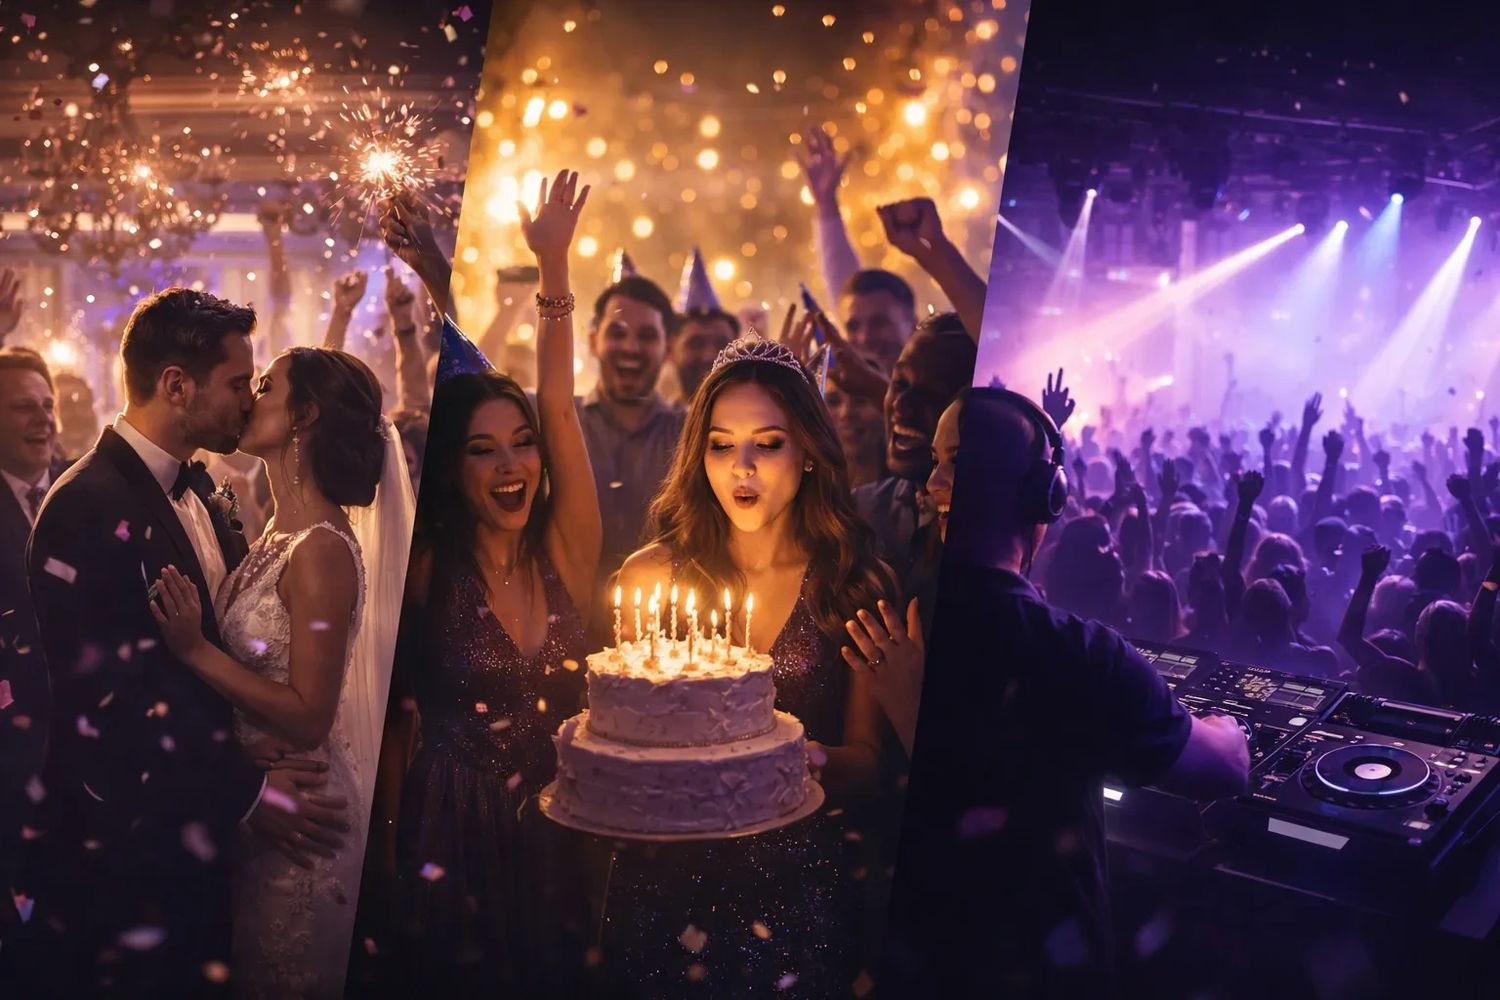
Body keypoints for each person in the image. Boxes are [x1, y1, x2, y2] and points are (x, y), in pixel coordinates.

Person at [20, 289, 348, 994]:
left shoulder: (206, 491)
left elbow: (224, 655)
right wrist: (253, 790)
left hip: (205, 854)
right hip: (129, 865)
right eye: (236, 384)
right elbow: (111, 708)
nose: (246, 400)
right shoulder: (86, 504)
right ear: (176, 385)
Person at [880, 387, 1249, 998]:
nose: (933, 480)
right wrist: (1230, 725)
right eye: (935, 459)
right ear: (1044, 497)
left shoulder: (897, 621)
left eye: (951, 460)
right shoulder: (1078, 656)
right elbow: (1223, 771)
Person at [604, 329, 898, 994]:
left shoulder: (854, 585)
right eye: (721, 445)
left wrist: (790, 760)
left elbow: (873, 764)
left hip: (795, 886)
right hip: (667, 878)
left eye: (767, 444)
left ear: (810, 454)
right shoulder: (651, 577)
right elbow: (617, 743)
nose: (742, 468)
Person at [373, 171, 600, 993]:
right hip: (451, 831)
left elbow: (560, 407)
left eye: (521, 444)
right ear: (454, 470)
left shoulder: (569, 551)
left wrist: (553, 268)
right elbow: (395, 722)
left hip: (565, 828)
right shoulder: (429, 568)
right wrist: (389, 853)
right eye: (482, 449)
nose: (512, 465)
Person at [148, 345, 410, 999]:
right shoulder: (270, 533)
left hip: (305, 822)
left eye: (266, 385)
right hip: (266, 801)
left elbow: (311, 710)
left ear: (304, 415)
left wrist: (195, 651)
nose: (251, 395)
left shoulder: (323, 551)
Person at [0, 347, 68, 942]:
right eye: (24, 407)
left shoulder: (82, 488)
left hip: (83, 755)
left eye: (48, 406)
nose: (43, 418)